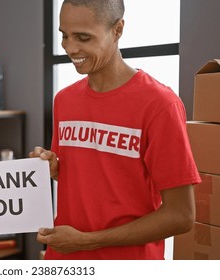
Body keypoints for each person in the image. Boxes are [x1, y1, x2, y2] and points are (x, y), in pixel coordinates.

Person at [30, 0, 201, 260]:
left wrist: (87, 242)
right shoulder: (64, 100)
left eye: (84, 37)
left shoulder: (160, 104)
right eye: (64, 35)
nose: (70, 48)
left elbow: (181, 216)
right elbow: (98, 179)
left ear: (118, 29)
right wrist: (56, 169)